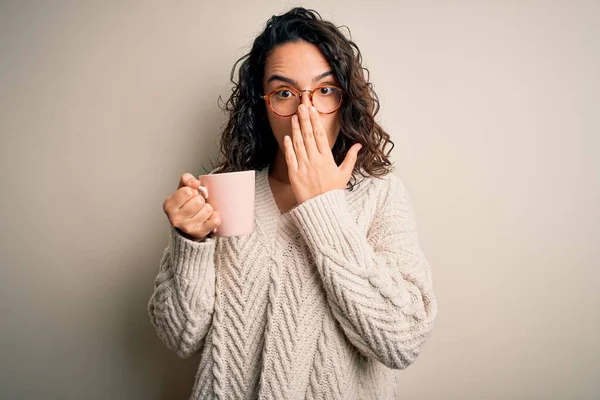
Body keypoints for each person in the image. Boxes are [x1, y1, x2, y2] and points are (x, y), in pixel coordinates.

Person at [148, 7, 437, 399]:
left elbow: (403, 341)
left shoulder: (380, 194)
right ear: (262, 104)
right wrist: (190, 244)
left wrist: (324, 208)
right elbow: (180, 336)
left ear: (345, 99)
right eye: (284, 92)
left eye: (324, 91)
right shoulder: (229, 190)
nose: (306, 111)